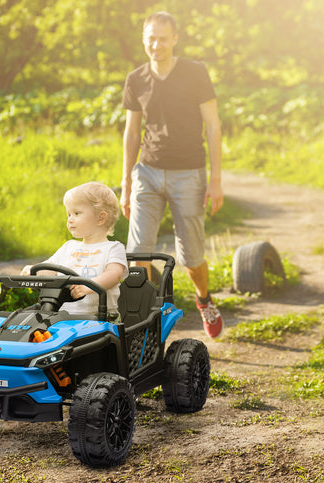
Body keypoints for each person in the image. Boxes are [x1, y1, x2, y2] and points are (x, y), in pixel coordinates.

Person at [120, 11, 224, 338]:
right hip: (147, 173)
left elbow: (213, 125)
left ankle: (203, 300)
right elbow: (132, 133)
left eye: (163, 38)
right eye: (150, 38)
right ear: (143, 40)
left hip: (189, 174)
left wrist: (216, 179)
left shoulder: (195, 73)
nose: (156, 45)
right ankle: (150, 317)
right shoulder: (136, 79)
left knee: (191, 256)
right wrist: (125, 183)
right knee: (137, 254)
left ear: (175, 38)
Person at [22, 182, 128, 317]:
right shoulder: (69, 247)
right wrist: (34, 270)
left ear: (100, 218)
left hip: (100, 318)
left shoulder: (113, 248)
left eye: (76, 213)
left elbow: (114, 275)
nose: (70, 220)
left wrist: (90, 286)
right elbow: (50, 269)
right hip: (62, 317)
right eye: (69, 214)